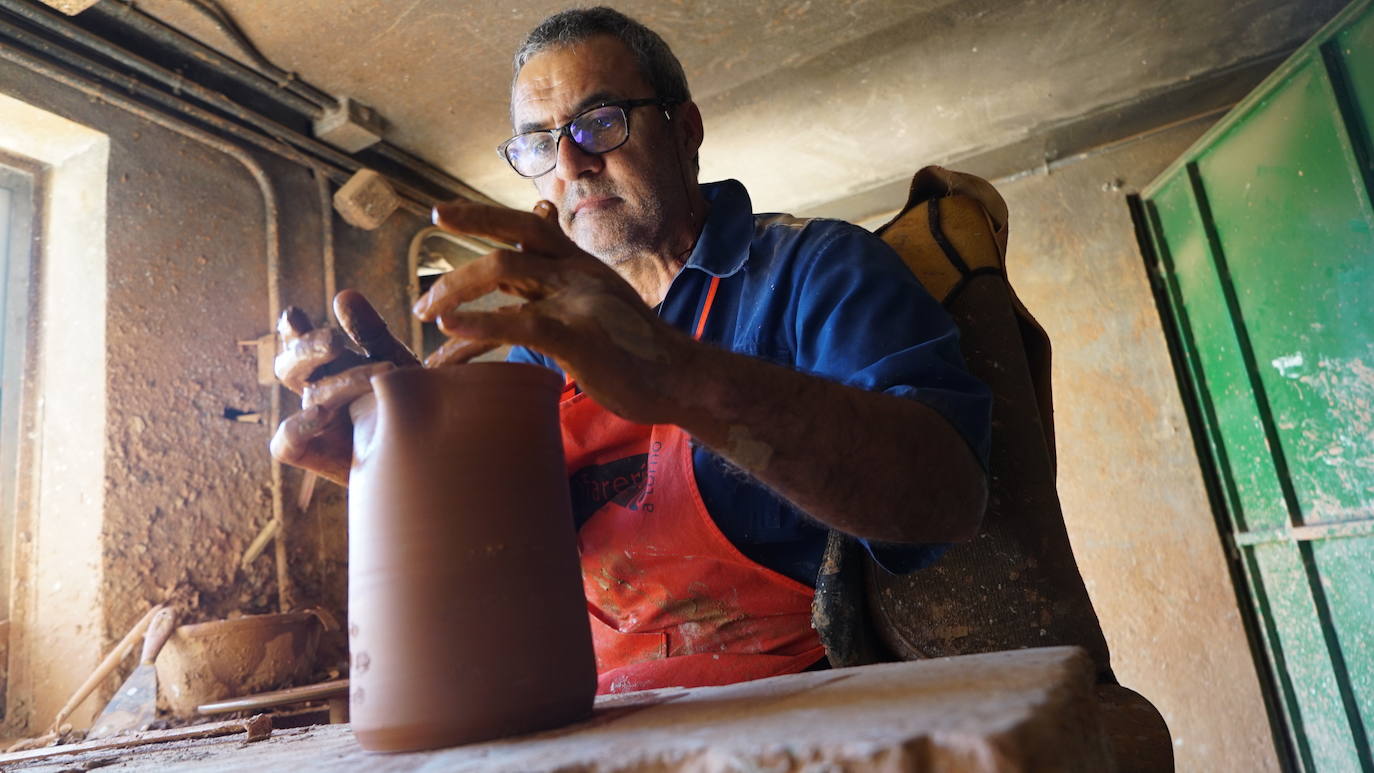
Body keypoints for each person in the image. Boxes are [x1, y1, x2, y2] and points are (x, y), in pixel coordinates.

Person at [272, 6, 991, 695]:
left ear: (686, 130)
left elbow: (949, 497)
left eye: (600, 121)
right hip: (594, 710)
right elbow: (493, 577)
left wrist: (679, 374)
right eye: (539, 141)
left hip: (809, 699)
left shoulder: (816, 269)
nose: (571, 162)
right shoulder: (535, 358)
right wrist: (404, 461)